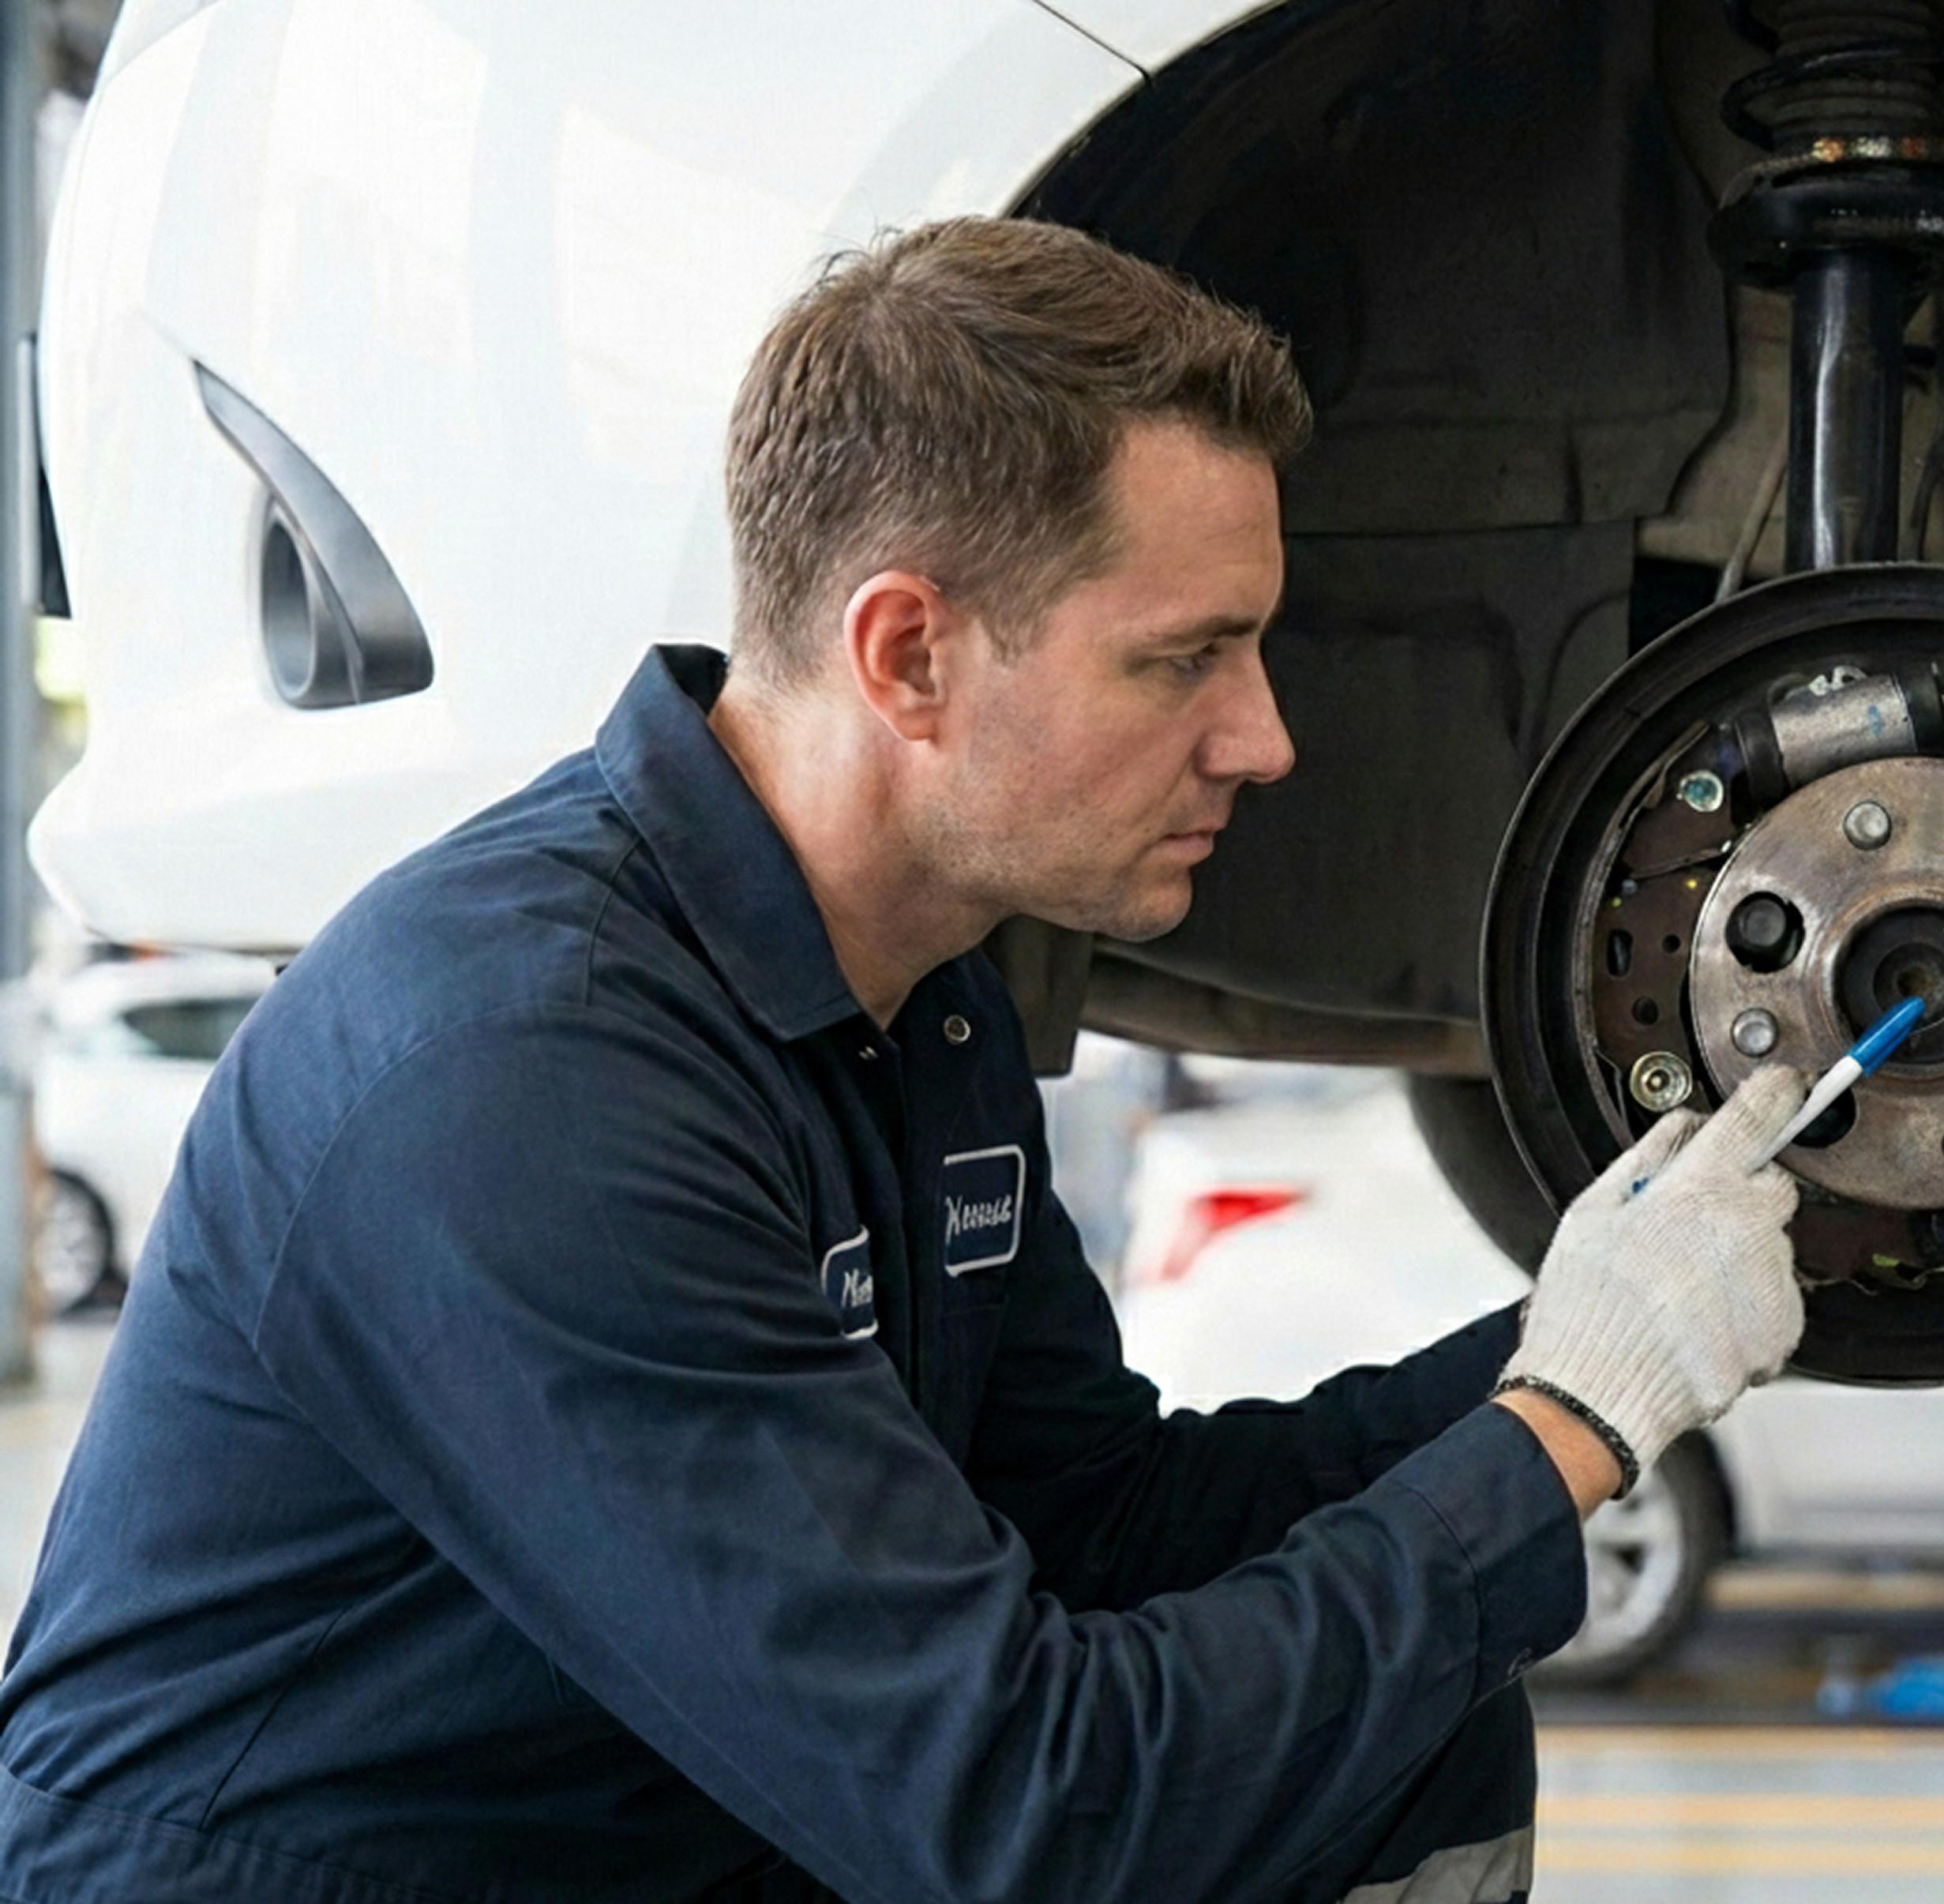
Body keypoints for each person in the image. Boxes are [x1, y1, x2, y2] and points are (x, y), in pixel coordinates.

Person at [0, 217, 1811, 1903]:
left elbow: (1102, 1524)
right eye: (1184, 659)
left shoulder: (914, 999)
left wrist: (1578, 1336)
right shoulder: (526, 1074)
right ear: (908, 655)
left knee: (1414, 1699)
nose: (1262, 739)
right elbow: (1018, 1816)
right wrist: (1559, 1439)